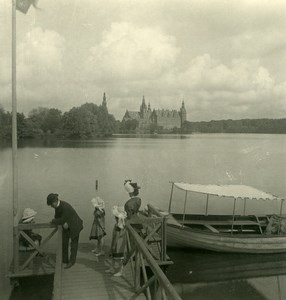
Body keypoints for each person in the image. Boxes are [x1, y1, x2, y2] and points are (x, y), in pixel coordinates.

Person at [47, 193, 83, 269]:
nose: (51, 206)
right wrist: (58, 221)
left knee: (74, 245)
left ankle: (71, 262)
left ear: (55, 201)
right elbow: (58, 217)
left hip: (75, 225)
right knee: (64, 242)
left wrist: (54, 221)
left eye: (51, 204)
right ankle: (65, 260)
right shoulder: (57, 206)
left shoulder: (65, 206)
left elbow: (62, 219)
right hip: (67, 225)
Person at [105, 206, 127, 277]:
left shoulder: (118, 226)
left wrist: (113, 245)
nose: (114, 218)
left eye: (115, 217)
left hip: (118, 243)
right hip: (119, 241)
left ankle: (121, 271)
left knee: (119, 257)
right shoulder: (122, 224)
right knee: (113, 256)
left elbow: (117, 236)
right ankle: (112, 268)